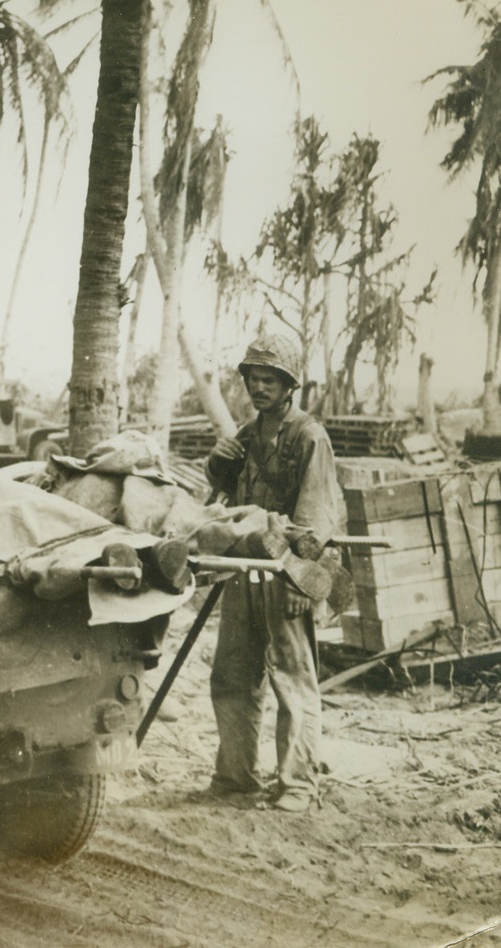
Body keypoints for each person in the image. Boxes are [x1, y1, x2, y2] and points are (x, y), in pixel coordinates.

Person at [204, 334, 340, 813]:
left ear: (289, 387)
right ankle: (235, 775)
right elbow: (224, 506)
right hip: (244, 569)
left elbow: (318, 514)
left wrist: (304, 581)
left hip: (287, 572)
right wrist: (215, 468)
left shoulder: (309, 436)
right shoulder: (245, 435)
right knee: (233, 674)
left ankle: (298, 783)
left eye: (269, 380)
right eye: (253, 378)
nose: (258, 387)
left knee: (292, 678)